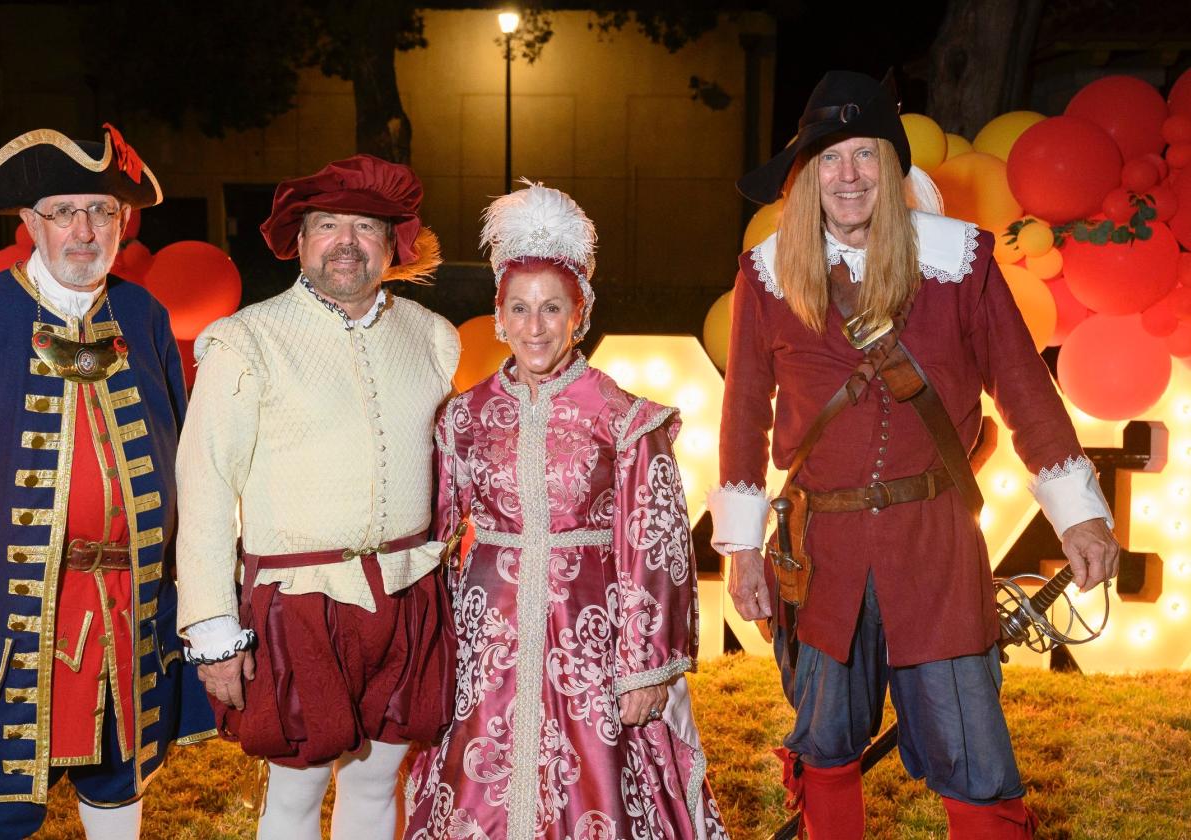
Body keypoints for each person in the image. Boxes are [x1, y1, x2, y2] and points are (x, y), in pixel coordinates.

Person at [710, 70, 1121, 840]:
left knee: (972, 748)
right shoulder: (767, 277)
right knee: (826, 742)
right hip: (820, 551)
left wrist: (1080, 516)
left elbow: (1024, 388)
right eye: (830, 158)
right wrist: (740, 549)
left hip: (935, 545)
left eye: (865, 154)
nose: (849, 175)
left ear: (893, 166)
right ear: (806, 176)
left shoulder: (961, 263)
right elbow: (743, 416)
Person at [0, 124, 215, 838]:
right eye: (63, 212)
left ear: (124, 221)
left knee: (120, 787)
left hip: (128, 613)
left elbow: (190, 470)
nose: (84, 230)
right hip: (9, 621)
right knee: (2, 809)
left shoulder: (144, 318)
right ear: (30, 223)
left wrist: (204, 605)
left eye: (102, 211)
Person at [405, 182, 729, 840]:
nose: (535, 327)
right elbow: (434, 540)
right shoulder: (463, 417)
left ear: (579, 314)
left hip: (592, 641)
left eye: (552, 308)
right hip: (487, 644)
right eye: (519, 309)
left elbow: (655, 548)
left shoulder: (624, 420)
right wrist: (428, 648)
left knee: (593, 784)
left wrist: (645, 668)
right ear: (499, 317)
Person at [175, 153, 460, 840]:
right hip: (297, 602)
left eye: (365, 226)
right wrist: (212, 629)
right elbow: (205, 486)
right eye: (328, 225)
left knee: (378, 780)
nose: (346, 242)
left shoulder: (433, 337)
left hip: (407, 594)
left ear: (390, 244)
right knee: (297, 789)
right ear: (299, 241)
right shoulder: (245, 341)